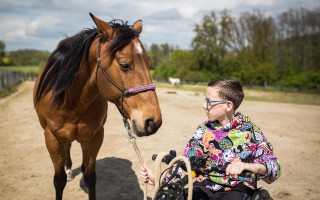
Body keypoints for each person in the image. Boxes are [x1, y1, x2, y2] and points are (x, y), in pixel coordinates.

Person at [140, 78, 281, 200]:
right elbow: (187, 164)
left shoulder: (251, 132)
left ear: (228, 105)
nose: (204, 105)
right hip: (203, 189)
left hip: (236, 192)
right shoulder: (203, 130)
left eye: (209, 101)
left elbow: (274, 169)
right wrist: (160, 181)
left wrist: (248, 166)